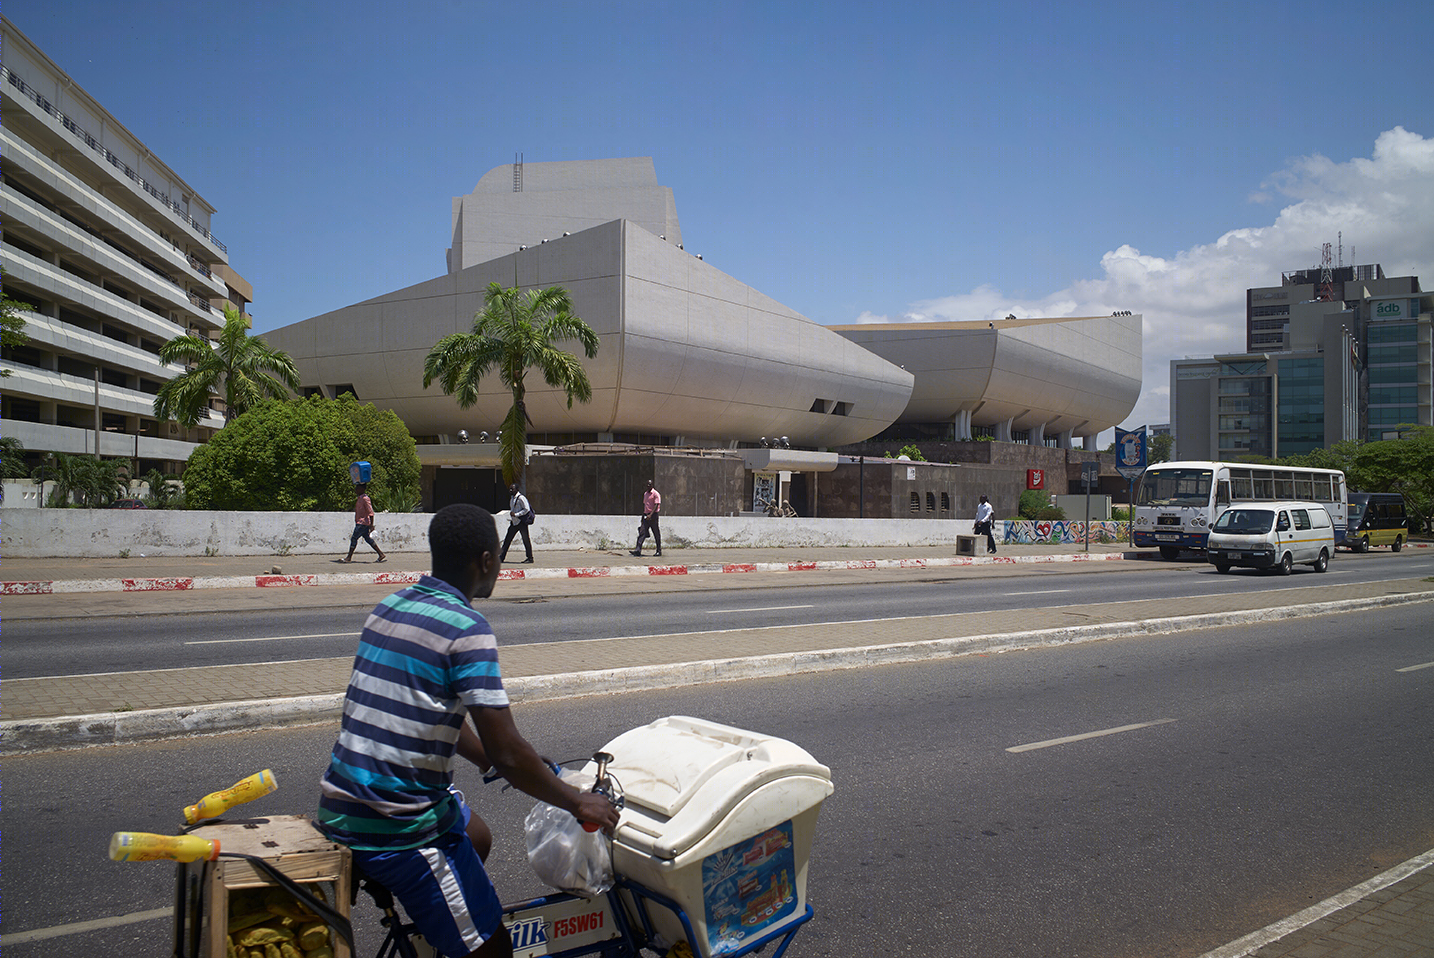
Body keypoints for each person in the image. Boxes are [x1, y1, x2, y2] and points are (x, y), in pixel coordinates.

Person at [317, 504, 620, 958]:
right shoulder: (468, 628)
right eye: (498, 555)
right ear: (486, 560)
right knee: (493, 948)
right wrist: (576, 800)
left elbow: (427, 710)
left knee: (476, 835)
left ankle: (445, 923)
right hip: (398, 826)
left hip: (341, 801)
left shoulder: (392, 605)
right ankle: (460, 927)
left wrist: (485, 759)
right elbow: (512, 751)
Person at [342, 482, 386, 563]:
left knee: (354, 538)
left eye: (357, 488)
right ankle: (381, 554)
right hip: (361, 522)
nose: (356, 490)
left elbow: (371, 512)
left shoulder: (365, 499)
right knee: (368, 539)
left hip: (362, 523)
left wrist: (371, 525)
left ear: (362, 489)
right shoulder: (360, 498)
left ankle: (349, 557)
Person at [499, 483, 534, 563]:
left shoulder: (521, 498)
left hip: (521, 522)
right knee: (507, 540)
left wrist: (516, 514)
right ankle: (501, 557)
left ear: (517, 489)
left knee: (526, 540)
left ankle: (530, 558)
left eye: (512, 489)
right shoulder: (512, 498)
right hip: (514, 522)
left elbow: (526, 509)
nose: (510, 490)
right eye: (510, 489)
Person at [631, 479, 661, 557]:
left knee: (656, 533)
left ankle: (658, 550)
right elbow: (645, 505)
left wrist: (650, 515)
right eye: (647, 485)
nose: (648, 486)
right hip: (646, 515)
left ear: (652, 485)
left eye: (650, 484)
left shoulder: (656, 494)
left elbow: (656, 505)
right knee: (642, 532)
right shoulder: (645, 494)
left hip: (653, 515)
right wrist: (643, 516)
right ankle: (638, 550)